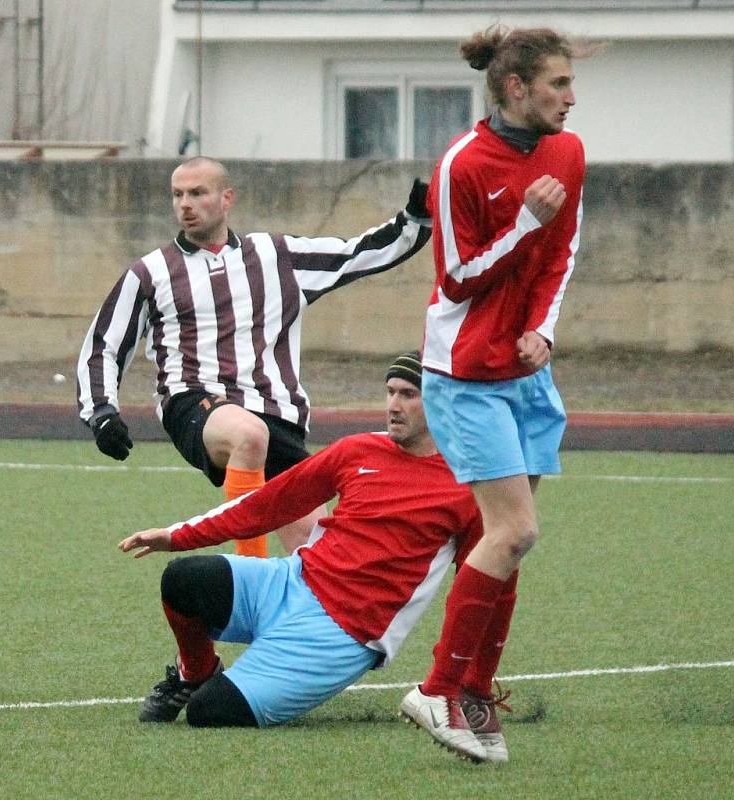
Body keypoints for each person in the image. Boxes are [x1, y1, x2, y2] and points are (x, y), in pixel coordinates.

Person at [118, 351, 506, 763]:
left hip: (341, 635)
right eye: (390, 392)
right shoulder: (357, 450)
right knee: (183, 579)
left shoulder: (471, 487)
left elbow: (484, 591)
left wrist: (471, 683)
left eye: (409, 394)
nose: (393, 405)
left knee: (209, 714)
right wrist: (176, 536)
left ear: (442, 401)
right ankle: (196, 673)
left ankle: (219, 687)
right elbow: (268, 503)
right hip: (293, 581)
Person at [78, 157, 430, 556]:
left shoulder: (276, 255)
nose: (185, 204)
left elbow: (355, 255)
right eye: (178, 195)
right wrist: (102, 413)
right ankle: (250, 572)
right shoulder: (150, 272)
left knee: (321, 558)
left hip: (278, 418)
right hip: (195, 403)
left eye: (197, 193)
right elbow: (102, 346)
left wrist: (414, 220)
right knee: (247, 435)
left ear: (227, 199)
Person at [400, 26, 589, 759]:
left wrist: (545, 327)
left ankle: (475, 687)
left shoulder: (567, 152)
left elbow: (563, 248)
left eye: (572, 85)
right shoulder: (461, 165)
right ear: (517, 88)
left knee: (497, 541)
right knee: (516, 532)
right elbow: (457, 278)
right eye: (558, 86)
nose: (570, 100)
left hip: (527, 371)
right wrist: (523, 223)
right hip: (466, 375)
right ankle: (439, 689)